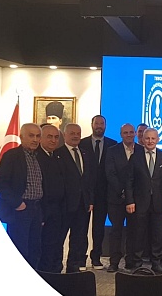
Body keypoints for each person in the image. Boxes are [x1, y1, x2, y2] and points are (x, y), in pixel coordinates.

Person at [0, 123, 45, 269]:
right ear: (21, 137)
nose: (35, 139)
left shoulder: (40, 157)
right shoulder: (12, 156)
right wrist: (17, 203)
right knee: (20, 249)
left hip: (36, 208)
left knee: (35, 249)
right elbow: (0, 183)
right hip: (20, 209)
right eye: (31, 136)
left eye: (38, 136)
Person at [125, 128, 162, 274]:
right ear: (142, 139)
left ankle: (157, 264)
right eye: (147, 138)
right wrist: (129, 201)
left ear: (158, 139)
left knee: (157, 235)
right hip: (140, 203)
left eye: (153, 138)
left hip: (159, 203)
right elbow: (129, 181)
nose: (150, 141)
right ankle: (137, 263)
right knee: (138, 235)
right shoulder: (135, 157)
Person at [56, 123, 96, 272]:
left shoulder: (85, 153)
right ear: (64, 135)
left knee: (78, 238)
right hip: (65, 204)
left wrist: (90, 200)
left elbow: (90, 179)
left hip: (83, 204)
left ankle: (73, 267)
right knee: (59, 238)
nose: (75, 136)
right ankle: (57, 267)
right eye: (72, 133)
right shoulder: (58, 154)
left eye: (78, 133)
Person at [79, 114, 118, 270]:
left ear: (105, 126)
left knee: (99, 227)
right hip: (85, 193)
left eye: (102, 124)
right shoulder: (81, 144)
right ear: (92, 125)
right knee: (82, 227)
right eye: (97, 123)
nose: (99, 126)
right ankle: (81, 258)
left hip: (103, 193)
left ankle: (96, 258)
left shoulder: (112, 144)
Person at [104, 123, 140, 272]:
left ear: (135, 133)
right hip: (116, 198)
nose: (129, 135)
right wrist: (124, 191)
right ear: (121, 135)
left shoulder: (141, 150)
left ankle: (130, 260)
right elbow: (110, 174)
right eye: (126, 133)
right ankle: (114, 262)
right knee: (116, 231)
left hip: (136, 200)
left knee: (133, 231)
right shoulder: (112, 151)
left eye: (131, 132)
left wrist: (132, 195)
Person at [36, 124, 66, 273]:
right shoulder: (36, 157)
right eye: (49, 137)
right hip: (43, 210)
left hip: (57, 210)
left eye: (56, 137)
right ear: (41, 138)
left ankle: (55, 274)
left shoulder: (56, 156)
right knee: (45, 246)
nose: (53, 140)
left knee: (56, 244)